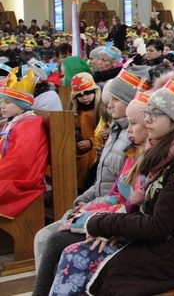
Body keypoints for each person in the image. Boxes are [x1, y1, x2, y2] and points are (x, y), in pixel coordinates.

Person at [49, 74, 174, 295]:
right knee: (73, 251)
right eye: (147, 113)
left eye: (155, 114)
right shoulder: (167, 152)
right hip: (160, 244)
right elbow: (147, 212)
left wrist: (101, 223)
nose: (147, 120)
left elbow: (158, 226)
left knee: (79, 259)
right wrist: (111, 226)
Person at [32, 65, 150, 296]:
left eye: (116, 99)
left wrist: (89, 217)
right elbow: (107, 181)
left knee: (54, 241)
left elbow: (131, 203)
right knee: (46, 238)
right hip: (103, 207)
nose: (109, 105)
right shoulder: (117, 131)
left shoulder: (136, 142)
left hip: (115, 218)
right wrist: (84, 201)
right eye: (109, 99)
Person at [0, 81, 49, 221]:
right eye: (1, 101)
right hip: (11, 173)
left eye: (7, 102)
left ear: (21, 104)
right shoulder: (16, 121)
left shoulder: (29, 125)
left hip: (23, 180)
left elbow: (20, 161)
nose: (2, 106)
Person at [68, 73, 102, 192]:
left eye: (88, 93)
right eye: (80, 95)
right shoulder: (76, 109)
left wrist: (91, 142)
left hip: (97, 146)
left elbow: (106, 130)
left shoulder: (102, 107)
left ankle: (82, 190)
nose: (85, 98)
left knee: (87, 160)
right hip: (80, 145)